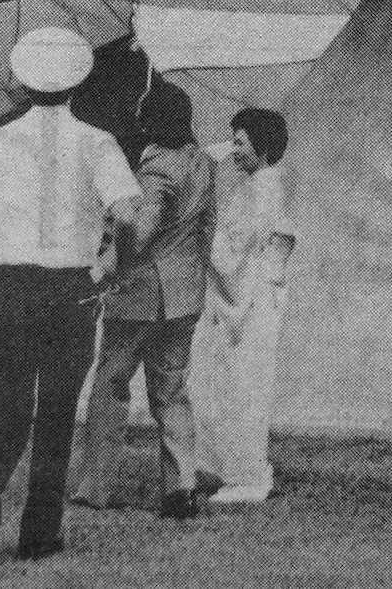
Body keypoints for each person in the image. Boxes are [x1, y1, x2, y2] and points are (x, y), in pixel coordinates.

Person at [0, 27, 142, 582]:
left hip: (10, 288)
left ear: (22, 81)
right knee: (57, 412)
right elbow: (127, 215)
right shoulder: (98, 142)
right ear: (79, 81)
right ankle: (39, 532)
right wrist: (115, 266)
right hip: (72, 290)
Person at [74, 84, 215, 517]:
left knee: (110, 384)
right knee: (171, 391)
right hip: (186, 294)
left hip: (140, 293)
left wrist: (114, 244)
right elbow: (206, 228)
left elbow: (142, 228)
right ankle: (181, 486)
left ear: (152, 122)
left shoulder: (156, 168)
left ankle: (94, 484)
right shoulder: (204, 163)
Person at [192, 107, 294, 504]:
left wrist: (204, 231)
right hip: (244, 295)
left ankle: (247, 475)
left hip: (251, 297)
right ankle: (226, 467)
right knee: (228, 381)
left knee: (245, 385)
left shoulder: (263, 188)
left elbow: (236, 252)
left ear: (262, 147)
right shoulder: (256, 184)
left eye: (240, 141)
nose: (233, 149)